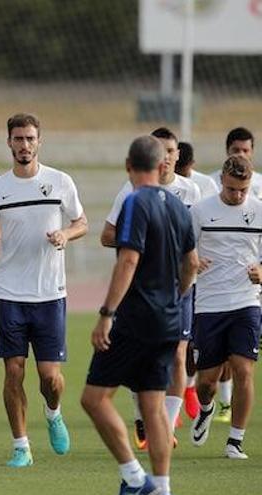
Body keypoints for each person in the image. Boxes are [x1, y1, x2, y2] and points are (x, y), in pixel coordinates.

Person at [82, 135, 198, 495]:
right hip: (170, 321)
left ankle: (134, 477)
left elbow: (128, 259)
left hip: (136, 319)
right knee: (153, 406)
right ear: (163, 164)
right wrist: (174, 296)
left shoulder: (135, 202)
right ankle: (162, 487)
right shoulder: (179, 207)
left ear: (129, 166)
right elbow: (192, 264)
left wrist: (106, 313)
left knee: (94, 399)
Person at [0, 113, 87, 467]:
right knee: (13, 371)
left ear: (40, 141)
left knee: (50, 378)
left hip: (50, 293)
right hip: (8, 293)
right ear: (9, 142)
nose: (24, 145)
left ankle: (53, 413)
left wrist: (65, 235)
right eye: (18, 139)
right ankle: (21, 445)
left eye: (30, 139)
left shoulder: (59, 182)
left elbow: (81, 222)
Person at [102, 127, 200, 449]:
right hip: (139, 292)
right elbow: (107, 236)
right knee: (138, 360)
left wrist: (184, 283)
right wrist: (146, 239)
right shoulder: (129, 194)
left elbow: (195, 248)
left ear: (176, 155)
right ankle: (145, 418)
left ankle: (166, 426)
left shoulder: (192, 192)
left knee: (179, 353)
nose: (167, 157)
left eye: (172, 151)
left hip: (177, 290)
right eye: (162, 151)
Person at [189, 155, 262, 460]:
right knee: (207, 381)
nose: (237, 196)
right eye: (232, 189)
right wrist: (191, 259)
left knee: (243, 369)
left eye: (243, 190)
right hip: (208, 304)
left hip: (246, 301)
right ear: (221, 180)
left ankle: (235, 441)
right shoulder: (201, 210)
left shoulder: (259, 210)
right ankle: (206, 407)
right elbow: (184, 248)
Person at [209, 127, 257, 424]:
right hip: (212, 294)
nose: (240, 154)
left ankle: (235, 435)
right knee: (208, 374)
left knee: (243, 364)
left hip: (250, 294)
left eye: (246, 150)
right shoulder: (208, 190)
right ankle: (210, 402)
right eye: (236, 149)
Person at [174, 140, 217, 423]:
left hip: (195, 278)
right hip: (163, 278)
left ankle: (188, 389)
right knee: (166, 347)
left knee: (188, 344)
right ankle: (164, 408)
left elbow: (212, 227)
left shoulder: (202, 188)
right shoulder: (145, 187)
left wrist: (198, 259)